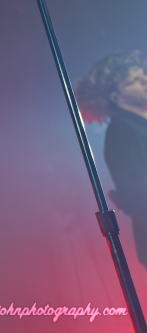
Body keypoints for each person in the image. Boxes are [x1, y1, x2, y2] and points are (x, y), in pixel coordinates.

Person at [76, 51, 147, 269]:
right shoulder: (121, 132)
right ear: (116, 97)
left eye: (142, 74)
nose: (145, 79)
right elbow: (138, 196)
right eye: (134, 81)